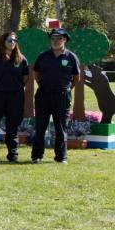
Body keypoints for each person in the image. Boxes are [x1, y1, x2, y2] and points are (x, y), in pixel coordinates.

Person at [31, 27, 81, 164]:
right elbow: (36, 73)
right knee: (40, 126)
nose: (55, 41)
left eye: (59, 38)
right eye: (53, 38)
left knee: (60, 127)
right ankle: (37, 156)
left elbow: (76, 77)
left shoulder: (71, 57)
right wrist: (42, 84)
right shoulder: (43, 56)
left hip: (62, 96)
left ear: (64, 39)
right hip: (43, 95)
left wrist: (68, 88)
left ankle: (61, 157)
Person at [0, 31, 30, 162]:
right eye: (10, 40)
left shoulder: (21, 59)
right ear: (3, 42)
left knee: (13, 126)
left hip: (15, 96)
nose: (13, 42)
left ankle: (13, 154)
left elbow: (25, 79)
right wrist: (1, 86)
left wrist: (13, 87)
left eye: (15, 40)